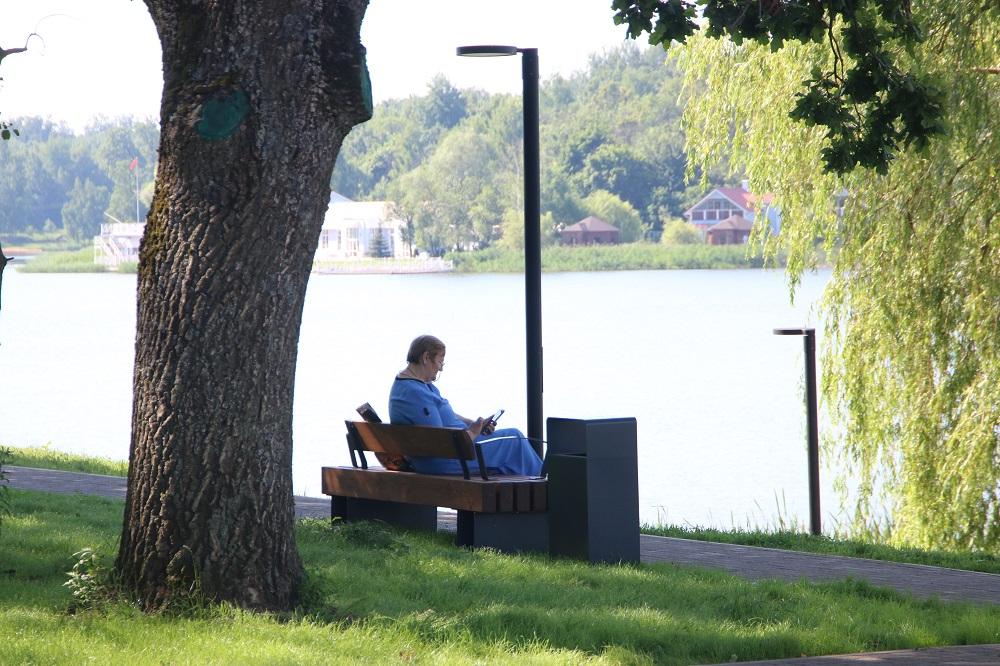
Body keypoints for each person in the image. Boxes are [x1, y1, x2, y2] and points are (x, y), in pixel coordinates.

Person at [388, 334, 543, 476]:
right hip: (448, 459)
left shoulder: (413, 385)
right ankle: (548, 488)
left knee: (511, 451)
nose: (441, 368)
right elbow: (439, 443)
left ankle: (534, 488)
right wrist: (472, 433)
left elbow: (440, 415)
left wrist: (473, 424)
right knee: (514, 439)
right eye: (440, 361)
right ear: (426, 357)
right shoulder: (415, 393)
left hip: (451, 453)